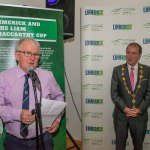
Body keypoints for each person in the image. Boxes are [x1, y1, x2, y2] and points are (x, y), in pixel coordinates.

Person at [0, 38, 64, 150]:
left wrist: (57, 118)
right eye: (27, 53)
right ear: (17, 55)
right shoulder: (3, 78)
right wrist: (18, 114)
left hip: (44, 138)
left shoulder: (47, 76)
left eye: (36, 54)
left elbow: (59, 96)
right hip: (15, 142)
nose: (32, 58)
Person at [111, 42, 150, 150]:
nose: (130, 56)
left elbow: (149, 93)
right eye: (128, 52)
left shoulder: (147, 70)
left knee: (138, 145)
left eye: (134, 53)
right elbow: (114, 93)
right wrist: (124, 108)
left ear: (139, 55)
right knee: (119, 145)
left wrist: (140, 109)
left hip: (139, 116)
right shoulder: (117, 70)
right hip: (121, 116)